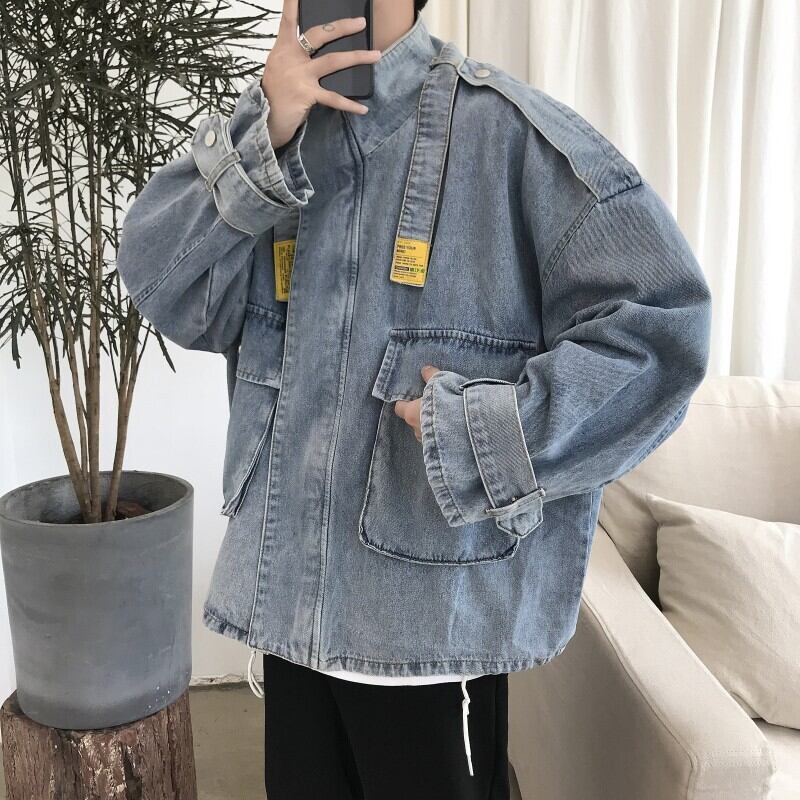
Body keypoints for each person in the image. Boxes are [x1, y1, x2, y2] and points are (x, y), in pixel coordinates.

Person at [116, 0, 713, 796]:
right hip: (289, 621)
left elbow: (664, 329)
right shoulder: (274, 145)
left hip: (431, 639)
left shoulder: (508, 137)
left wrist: (487, 434)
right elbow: (161, 282)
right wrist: (264, 133)